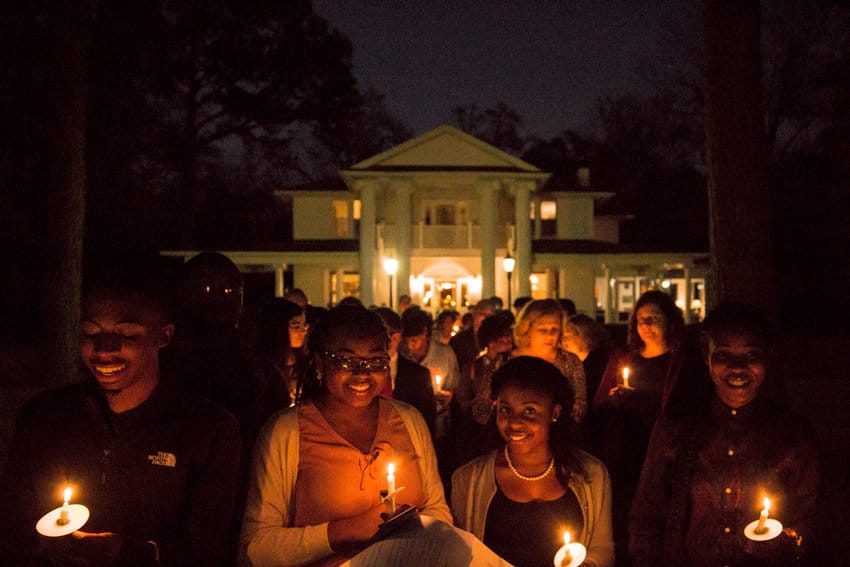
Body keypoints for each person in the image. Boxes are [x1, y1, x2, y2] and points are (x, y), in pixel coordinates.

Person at [1, 259, 241, 566]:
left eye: (127, 335)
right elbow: (11, 528)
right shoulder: (44, 418)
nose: (104, 349)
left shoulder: (208, 430)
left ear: (164, 336)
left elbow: (210, 550)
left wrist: (129, 552)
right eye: (91, 333)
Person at [240, 305, 452, 566]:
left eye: (375, 361)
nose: (362, 373)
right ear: (320, 362)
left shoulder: (410, 421)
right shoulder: (286, 433)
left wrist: (411, 534)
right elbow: (255, 549)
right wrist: (342, 531)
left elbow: (438, 511)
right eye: (345, 361)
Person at [629, 302, 819, 566]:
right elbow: (647, 517)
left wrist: (791, 541)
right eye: (724, 356)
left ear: (767, 358)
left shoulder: (793, 434)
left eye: (751, 356)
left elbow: (811, 518)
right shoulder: (674, 429)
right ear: (707, 357)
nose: (738, 368)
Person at [452, 356, 614, 567]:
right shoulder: (468, 480)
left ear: (554, 412)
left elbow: (602, 551)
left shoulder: (591, 475)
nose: (514, 422)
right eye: (505, 409)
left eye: (529, 410)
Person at [589, 289, 696, 565]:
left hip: (663, 456)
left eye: (654, 319)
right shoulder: (625, 358)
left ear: (670, 322)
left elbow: (682, 410)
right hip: (626, 456)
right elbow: (600, 406)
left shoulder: (681, 362)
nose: (646, 326)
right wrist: (615, 401)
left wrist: (638, 401)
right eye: (641, 319)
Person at [513, 299, 587, 423]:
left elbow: (581, 404)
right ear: (527, 329)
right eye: (542, 329)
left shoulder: (570, 362)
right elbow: (481, 409)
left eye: (555, 329)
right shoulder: (507, 361)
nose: (550, 335)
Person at [373, 306, 437, 433]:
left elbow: (427, 424)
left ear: (395, 338)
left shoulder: (419, 375)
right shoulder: (359, 372)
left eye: (375, 336)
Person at [256, 298, 309, 410]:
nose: (303, 332)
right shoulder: (263, 367)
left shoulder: (305, 362)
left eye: (304, 325)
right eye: (296, 326)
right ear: (279, 328)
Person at [563, 314, 610, 412]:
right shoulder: (569, 363)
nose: (564, 341)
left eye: (569, 336)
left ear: (584, 336)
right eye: (563, 336)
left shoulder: (600, 364)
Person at [451, 299, 497, 375]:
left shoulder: (497, 338)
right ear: (474, 314)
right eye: (482, 314)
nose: (486, 318)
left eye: (490, 315)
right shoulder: (461, 339)